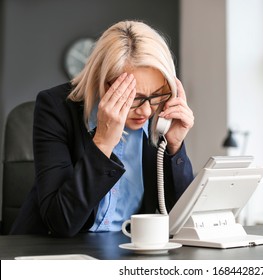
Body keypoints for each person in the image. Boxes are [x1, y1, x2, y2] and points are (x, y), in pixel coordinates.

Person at [10, 20, 195, 237]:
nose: (146, 111)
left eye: (156, 95)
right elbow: (61, 221)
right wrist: (103, 143)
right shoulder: (55, 107)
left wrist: (174, 148)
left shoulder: (159, 117)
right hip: (55, 250)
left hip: (126, 249)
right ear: (102, 81)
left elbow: (183, 219)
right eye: (134, 98)